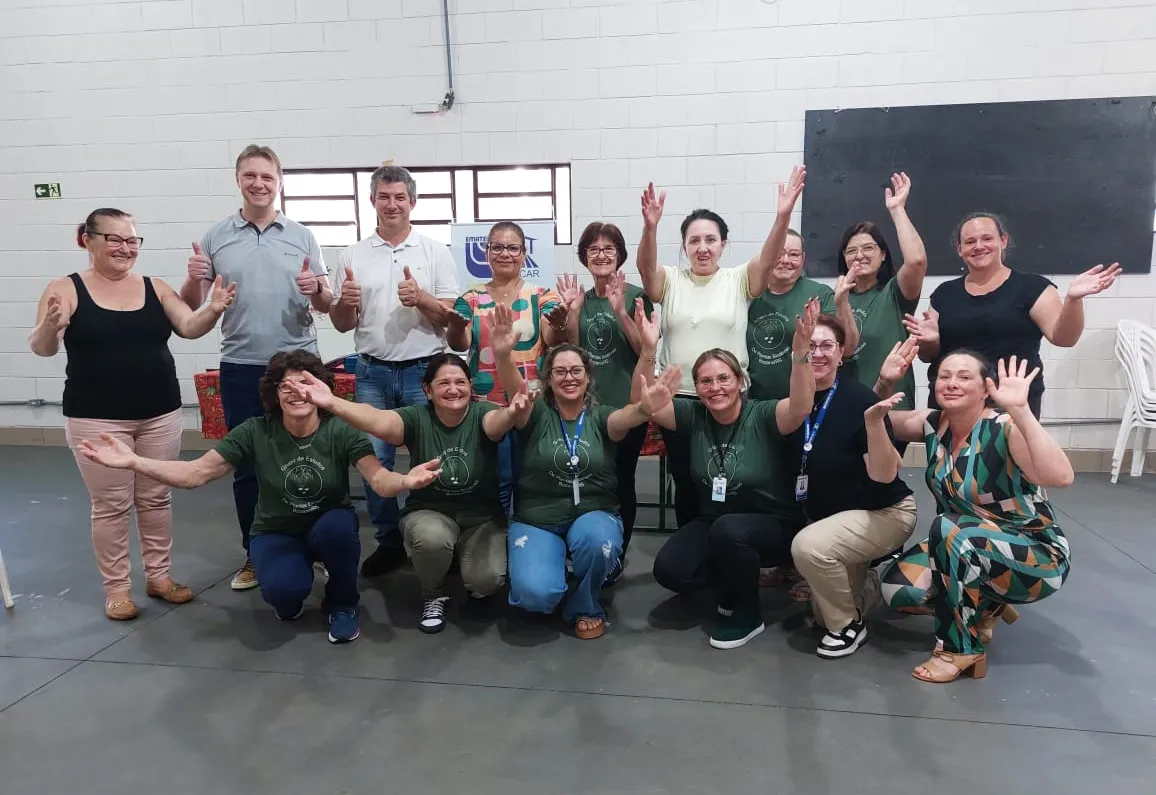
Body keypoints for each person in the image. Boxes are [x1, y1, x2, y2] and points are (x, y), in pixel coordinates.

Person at [76, 350, 441, 645]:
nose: (296, 392)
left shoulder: (341, 431)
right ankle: (293, 579)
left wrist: (405, 480)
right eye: (286, 386)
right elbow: (195, 474)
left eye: (305, 383)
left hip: (327, 523)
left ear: (321, 390)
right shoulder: (254, 431)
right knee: (284, 596)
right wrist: (134, 461)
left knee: (337, 528)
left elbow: (379, 480)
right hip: (276, 530)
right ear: (274, 394)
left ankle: (342, 603)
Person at [30, 208, 234, 621]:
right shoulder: (65, 288)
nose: (126, 249)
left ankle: (159, 577)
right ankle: (117, 589)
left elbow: (189, 327)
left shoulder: (154, 287)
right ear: (86, 240)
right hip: (96, 417)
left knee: (156, 497)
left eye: (132, 241)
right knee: (111, 504)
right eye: (115, 239)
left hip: (159, 412)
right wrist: (52, 326)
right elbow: (42, 347)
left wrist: (214, 308)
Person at [282, 354, 526, 634]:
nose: (453, 389)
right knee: (430, 539)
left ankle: (469, 578)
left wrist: (512, 412)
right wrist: (331, 402)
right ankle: (433, 594)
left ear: (470, 387)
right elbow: (376, 419)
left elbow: (498, 421)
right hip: (429, 512)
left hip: (482, 518)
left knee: (487, 581)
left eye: (460, 382)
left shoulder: (482, 414)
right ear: (427, 390)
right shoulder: (416, 417)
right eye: (443, 382)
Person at [178, 144, 330, 592]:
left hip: (300, 364)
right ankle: (253, 551)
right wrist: (193, 275)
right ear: (238, 180)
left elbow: (325, 303)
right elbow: (190, 305)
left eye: (267, 176)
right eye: (250, 176)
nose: (259, 184)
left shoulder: (302, 236)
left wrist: (316, 288)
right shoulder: (216, 237)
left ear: (279, 182)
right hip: (242, 366)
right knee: (247, 465)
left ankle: (313, 546)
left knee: (310, 458)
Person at [876, 352, 1075, 683]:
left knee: (948, 529)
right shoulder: (933, 424)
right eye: (944, 376)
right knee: (898, 589)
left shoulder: (1004, 428)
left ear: (986, 389)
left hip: (1035, 555)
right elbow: (874, 417)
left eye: (964, 377)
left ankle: (959, 648)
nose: (952, 383)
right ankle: (986, 602)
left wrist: (1021, 410)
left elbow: (1062, 477)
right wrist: (885, 383)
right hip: (965, 542)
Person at [491, 303, 680, 639]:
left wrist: (649, 359)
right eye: (560, 371)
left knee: (598, 542)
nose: (569, 378)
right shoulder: (533, 414)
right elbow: (515, 389)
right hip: (538, 518)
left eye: (576, 371)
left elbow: (633, 413)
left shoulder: (602, 416)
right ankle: (552, 568)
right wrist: (503, 355)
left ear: (588, 377)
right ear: (548, 379)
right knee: (537, 596)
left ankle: (585, 602)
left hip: (594, 513)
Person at [637, 167, 806, 528]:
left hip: (731, 399)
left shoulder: (739, 279)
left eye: (710, 240)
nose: (702, 248)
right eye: (694, 241)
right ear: (684, 246)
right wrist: (650, 227)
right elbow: (646, 269)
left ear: (723, 245)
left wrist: (783, 215)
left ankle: (734, 544)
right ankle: (693, 547)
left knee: (738, 478)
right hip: (681, 401)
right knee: (687, 482)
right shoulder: (671, 280)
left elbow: (771, 254)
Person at [649, 299, 818, 650]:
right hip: (716, 522)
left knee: (731, 531)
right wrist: (647, 350)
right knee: (670, 570)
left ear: (740, 382)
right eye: (705, 381)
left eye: (723, 378)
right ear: (696, 388)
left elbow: (801, 406)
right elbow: (648, 405)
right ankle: (734, 577)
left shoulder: (762, 414)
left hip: (772, 523)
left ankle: (747, 612)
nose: (715, 387)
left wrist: (800, 354)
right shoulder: (694, 415)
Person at [329, 165, 461, 579]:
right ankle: (389, 541)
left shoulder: (435, 251)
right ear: (372, 201)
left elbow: (450, 320)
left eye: (399, 197)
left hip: (426, 371)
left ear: (412, 202)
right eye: (384, 197)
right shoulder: (352, 255)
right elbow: (341, 323)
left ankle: (439, 536)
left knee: (437, 456)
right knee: (374, 459)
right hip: (373, 373)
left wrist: (420, 298)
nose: (392, 204)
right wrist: (345, 302)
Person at [786, 317, 918, 658]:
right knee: (818, 614)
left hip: (884, 512)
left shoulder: (859, 400)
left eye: (826, 345)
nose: (817, 353)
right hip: (839, 519)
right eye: (809, 346)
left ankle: (847, 625)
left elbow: (885, 475)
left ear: (841, 353)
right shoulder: (792, 402)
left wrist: (874, 423)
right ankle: (872, 580)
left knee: (808, 547)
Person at [905, 212, 1121, 418]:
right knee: (949, 458)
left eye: (987, 238)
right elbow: (928, 356)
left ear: (1003, 240)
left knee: (1009, 457)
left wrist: (1073, 300)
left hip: (1011, 400)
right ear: (960, 249)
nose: (979, 246)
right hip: (954, 399)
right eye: (970, 242)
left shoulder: (1032, 287)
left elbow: (1064, 338)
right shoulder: (945, 293)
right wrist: (930, 342)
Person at [556, 221, 654, 577]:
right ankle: (588, 547)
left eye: (608, 249)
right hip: (589, 410)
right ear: (584, 257)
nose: (601, 255)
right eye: (593, 249)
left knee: (621, 479)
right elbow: (572, 352)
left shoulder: (635, 295)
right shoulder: (581, 298)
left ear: (620, 255)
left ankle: (616, 555)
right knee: (590, 477)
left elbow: (647, 348)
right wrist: (573, 312)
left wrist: (621, 312)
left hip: (628, 406)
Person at [447, 221, 565, 514]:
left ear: (524, 254)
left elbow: (552, 338)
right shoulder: (470, 299)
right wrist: (456, 326)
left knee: (533, 481)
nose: (505, 254)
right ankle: (494, 544)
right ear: (486, 252)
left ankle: (529, 542)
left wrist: (561, 322)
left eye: (513, 248)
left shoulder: (543, 296)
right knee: (494, 481)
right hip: (487, 408)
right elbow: (460, 343)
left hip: (532, 404)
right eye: (497, 247)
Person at [839, 172, 928, 410]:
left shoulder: (894, 293)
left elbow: (917, 261)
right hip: (846, 408)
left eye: (869, 248)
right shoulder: (834, 297)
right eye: (851, 251)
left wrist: (897, 209)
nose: (860, 255)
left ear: (883, 254)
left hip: (891, 407)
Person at [747, 229, 860, 400]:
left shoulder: (819, 294)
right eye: (779, 253)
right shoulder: (750, 295)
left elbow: (848, 347)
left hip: (807, 402)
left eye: (794, 254)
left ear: (803, 259)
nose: (786, 260)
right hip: (756, 403)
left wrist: (842, 303)